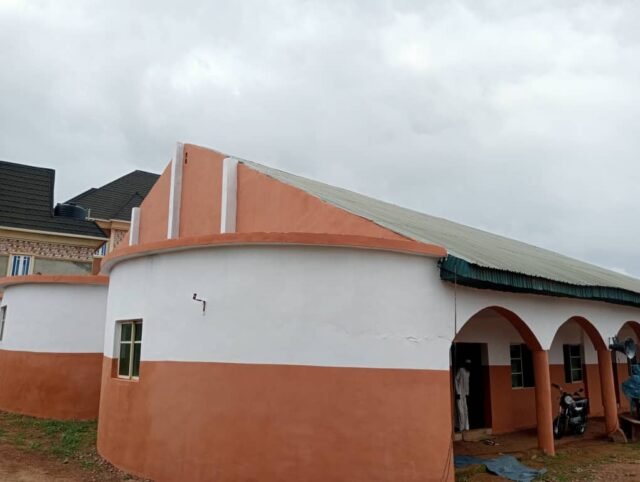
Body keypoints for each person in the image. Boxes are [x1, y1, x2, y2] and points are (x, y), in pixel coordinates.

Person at [455, 360, 471, 432]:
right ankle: (461, 427)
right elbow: (456, 379)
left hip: (465, 394)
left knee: (466, 410)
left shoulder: (468, 373)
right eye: (468, 364)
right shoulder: (461, 370)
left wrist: (467, 393)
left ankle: (466, 427)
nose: (469, 366)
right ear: (465, 364)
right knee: (460, 411)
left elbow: (467, 384)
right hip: (459, 394)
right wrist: (457, 392)